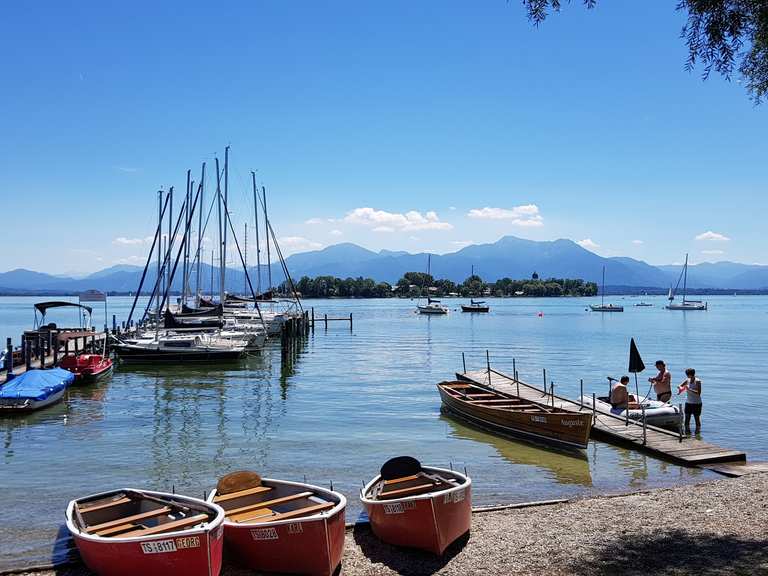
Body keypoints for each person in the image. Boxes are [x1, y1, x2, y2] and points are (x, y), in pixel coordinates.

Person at [678, 368, 703, 434]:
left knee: (696, 418)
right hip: (688, 402)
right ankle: (687, 433)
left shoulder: (697, 381)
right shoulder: (687, 380)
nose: (687, 376)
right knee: (687, 418)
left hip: (696, 403)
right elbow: (680, 385)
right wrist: (681, 388)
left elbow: (698, 392)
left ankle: (697, 433)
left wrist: (689, 389)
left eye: (688, 375)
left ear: (691, 374)